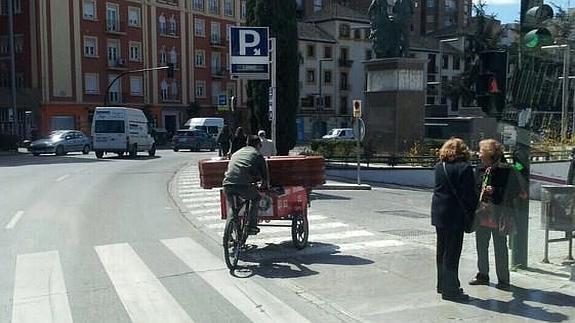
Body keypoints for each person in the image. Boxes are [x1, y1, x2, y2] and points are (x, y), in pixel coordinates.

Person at [431, 138, 477, 302]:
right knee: (452, 253)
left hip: (439, 214)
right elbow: (469, 196)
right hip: (455, 216)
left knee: (441, 251)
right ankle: (450, 290)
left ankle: (441, 284)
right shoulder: (465, 168)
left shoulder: (439, 167)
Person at [469, 139, 519, 290]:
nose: (479, 154)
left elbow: (513, 191)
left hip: (499, 215)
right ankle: (482, 275)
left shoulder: (506, 170)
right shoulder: (479, 169)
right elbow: (474, 189)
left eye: (481, 152)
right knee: (481, 247)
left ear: (489, 154)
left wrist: (495, 191)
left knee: (500, 248)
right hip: (482, 215)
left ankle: (503, 280)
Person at [222, 135, 268, 235]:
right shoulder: (257, 155)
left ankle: (231, 233)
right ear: (258, 145)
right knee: (256, 198)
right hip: (242, 185)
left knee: (233, 208)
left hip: (227, 184)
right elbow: (264, 176)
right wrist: (264, 185)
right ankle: (252, 226)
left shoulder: (236, 153)